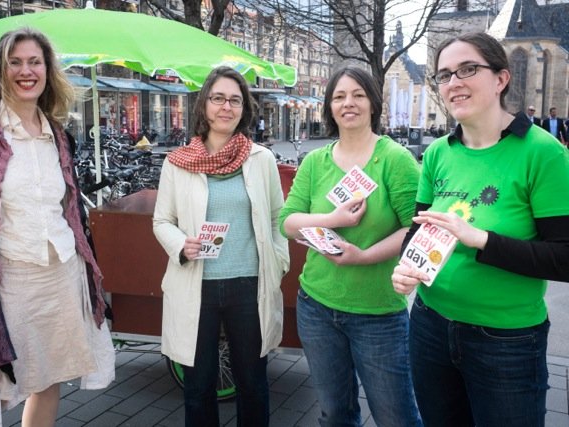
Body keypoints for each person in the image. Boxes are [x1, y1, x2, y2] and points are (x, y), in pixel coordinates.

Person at [0, 28, 115, 427]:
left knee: (48, 379)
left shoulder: (59, 136)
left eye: (34, 62)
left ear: (48, 70)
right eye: (15, 62)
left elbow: (68, 213)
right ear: (1, 70)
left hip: (61, 275)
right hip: (7, 280)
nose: (25, 71)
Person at [392, 32, 569, 426]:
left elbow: (565, 258)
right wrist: (406, 267)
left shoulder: (543, 152)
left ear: (501, 79)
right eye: (444, 75)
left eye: (468, 69)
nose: (454, 82)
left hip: (506, 340)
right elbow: (417, 232)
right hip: (429, 324)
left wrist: (480, 240)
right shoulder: (438, 152)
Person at [279, 66, 422, 427]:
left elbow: (414, 228)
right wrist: (333, 219)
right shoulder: (315, 162)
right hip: (317, 307)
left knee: (397, 417)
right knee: (335, 413)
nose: (349, 103)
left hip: (377, 313)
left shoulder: (394, 159)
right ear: (329, 107)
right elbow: (288, 222)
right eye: (339, 96)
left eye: (358, 95)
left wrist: (365, 256)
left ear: (373, 103)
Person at [153, 66, 289, 427]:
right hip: (196, 285)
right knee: (198, 386)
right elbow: (161, 221)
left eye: (234, 100)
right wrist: (182, 244)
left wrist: (279, 262)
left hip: (249, 286)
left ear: (244, 108)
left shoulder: (260, 159)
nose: (225, 107)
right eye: (218, 98)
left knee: (253, 384)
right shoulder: (178, 163)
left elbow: (278, 217)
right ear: (204, 106)